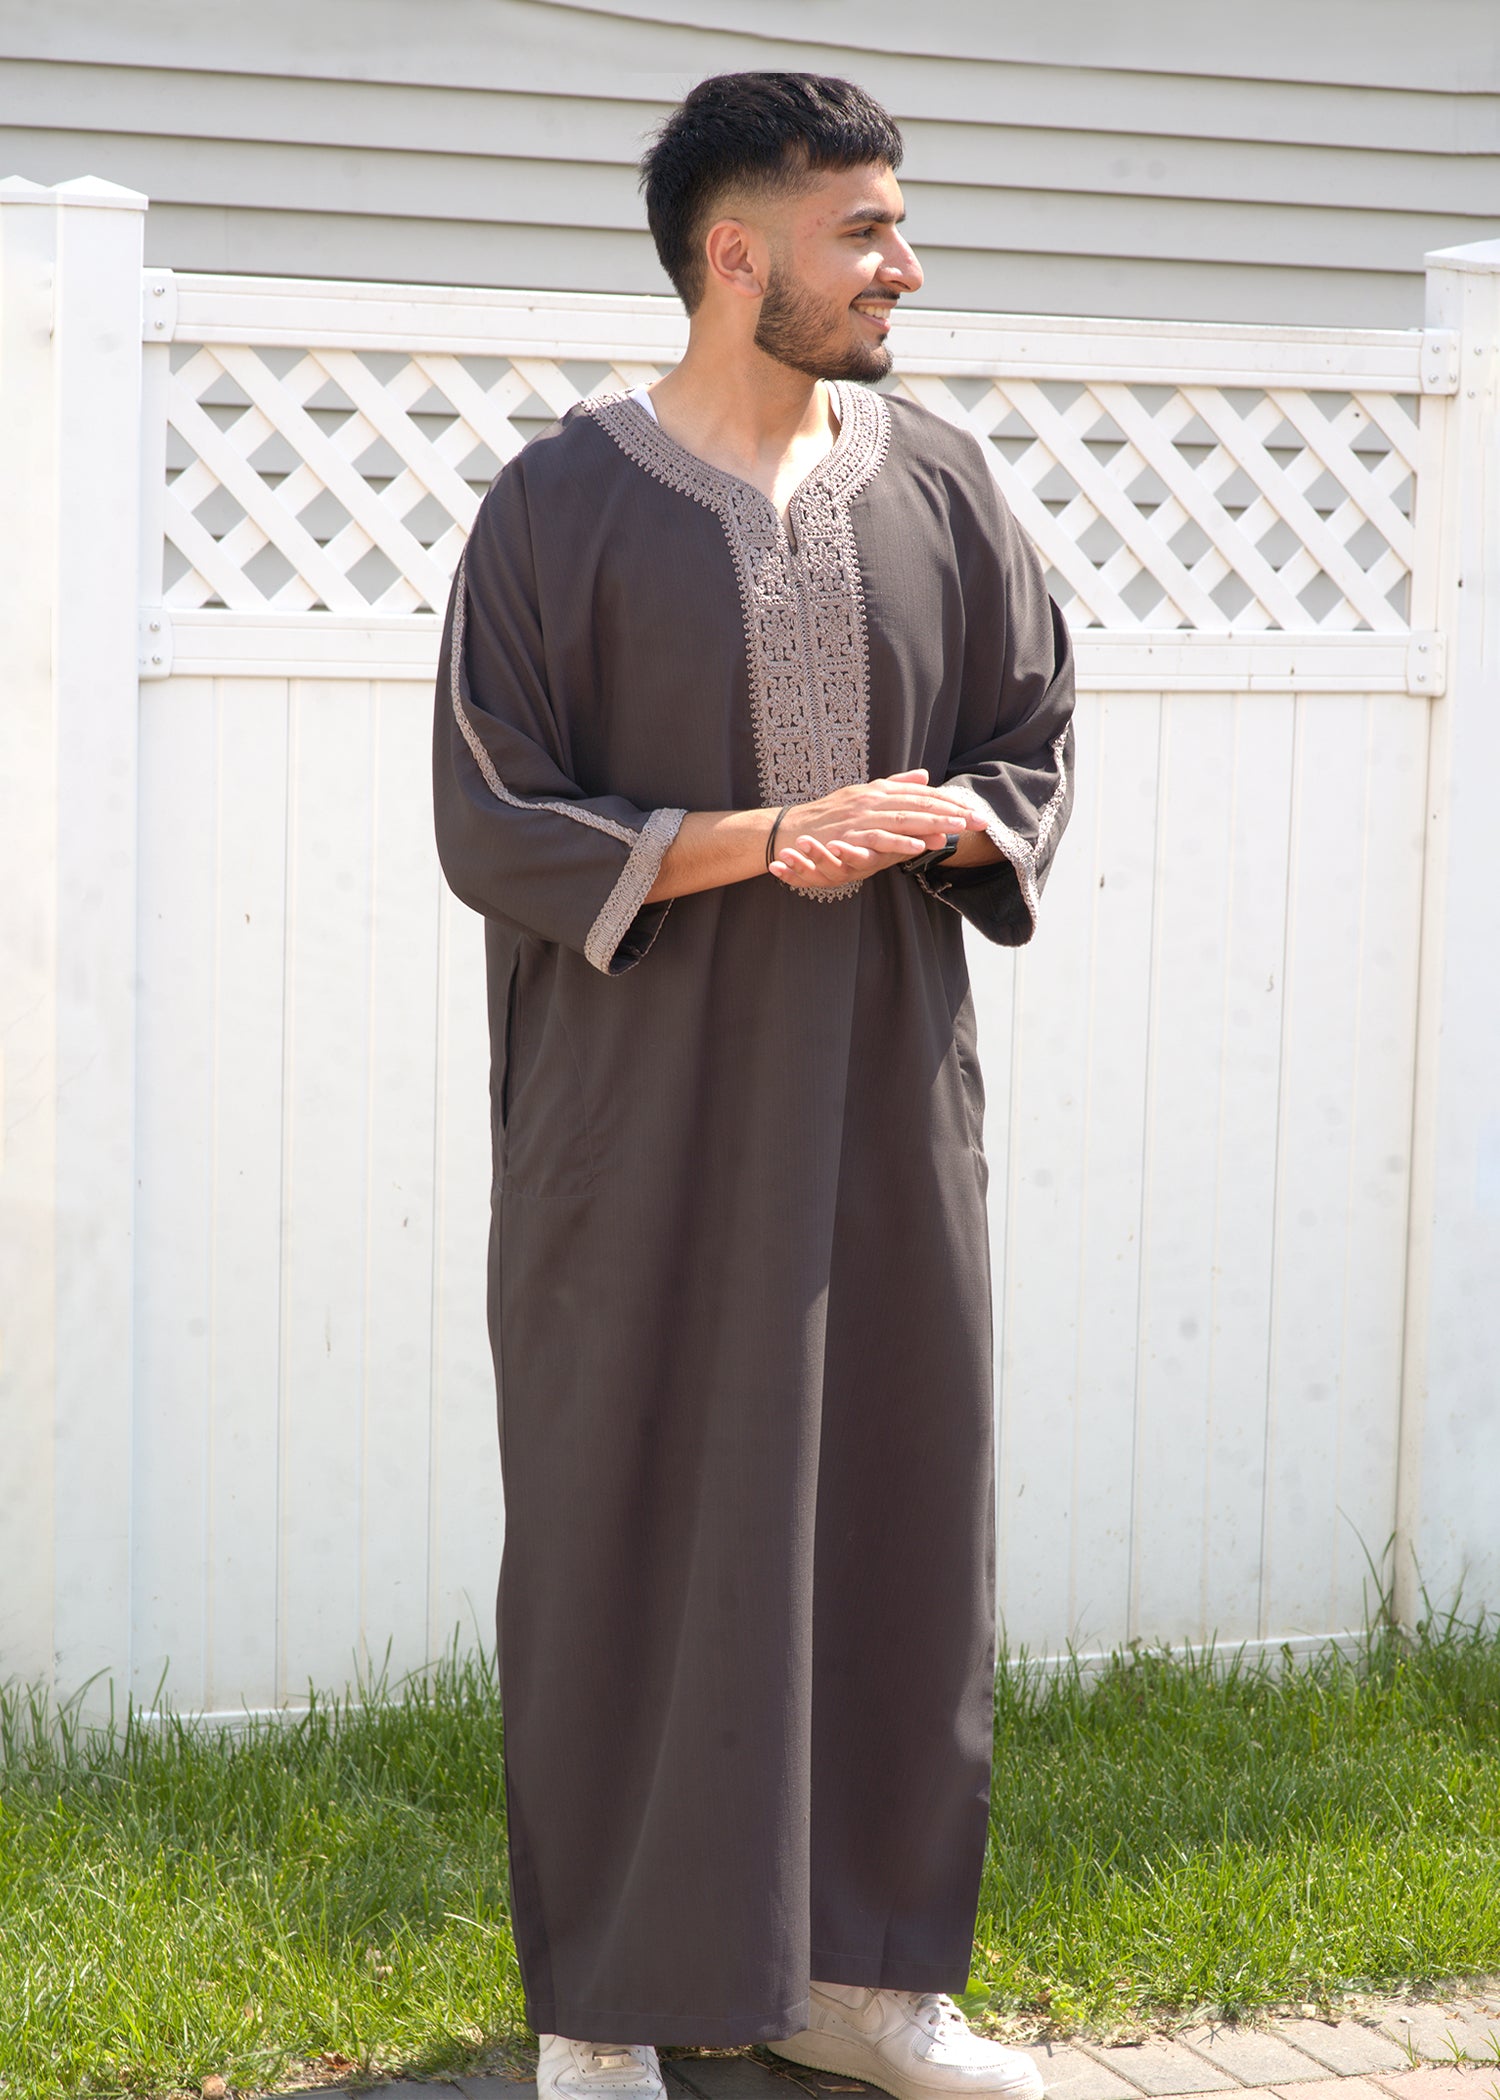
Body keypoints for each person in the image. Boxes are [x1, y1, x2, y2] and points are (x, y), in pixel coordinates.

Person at [432, 70, 1075, 2100]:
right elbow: (492, 811)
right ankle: (608, 2001)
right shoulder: (559, 509)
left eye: (899, 223)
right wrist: (756, 836)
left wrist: (949, 819)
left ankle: (857, 1982)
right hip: (637, 1126)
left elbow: (1032, 730)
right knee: (625, 1519)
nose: (905, 265)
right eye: (863, 229)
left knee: (896, 1499)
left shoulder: (942, 484)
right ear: (736, 256)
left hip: (886, 1104)